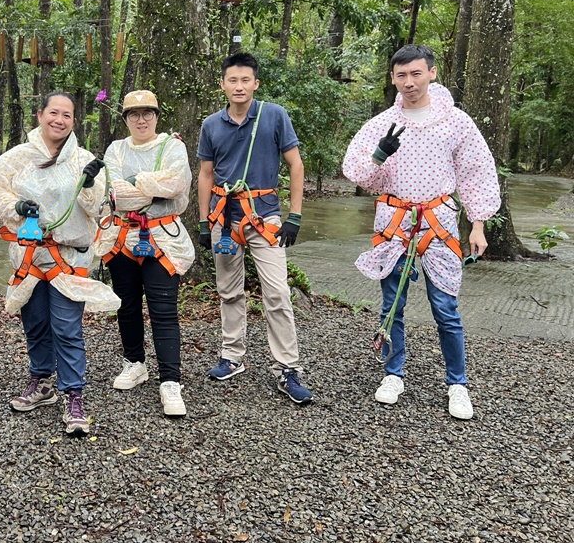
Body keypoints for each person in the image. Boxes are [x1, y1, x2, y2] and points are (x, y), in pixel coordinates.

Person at [342, 44, 499, 420]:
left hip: (438, 221)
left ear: (432, 73)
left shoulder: (456, 122)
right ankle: (393, 374)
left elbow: (476, 171)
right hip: (394, 220)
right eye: (401, 75)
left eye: (416, 73)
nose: (409, 82)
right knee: (391, 303)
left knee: (445, 307)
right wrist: (381, 154)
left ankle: (457, 384)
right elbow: (357, 171)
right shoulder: (382, 123)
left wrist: (477, 224)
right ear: (393, 78)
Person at [0, 91, 120, 436]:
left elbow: (95, 208)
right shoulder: (15, 159)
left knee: (66, 327)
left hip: (68, 256)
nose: (59, 120)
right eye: (53, 113)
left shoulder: (83, 160)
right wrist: (17, 208)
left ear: (74, 122)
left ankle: (74, 394)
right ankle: (41, 381)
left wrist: (89, 183)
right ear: (40, 115)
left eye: (67, 115)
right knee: (35, 323)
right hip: (31, 254)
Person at [197, 52, 313, 405]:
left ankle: (287, 368)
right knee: (229, 290)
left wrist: (294, 215)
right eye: (232, 80)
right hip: (224, 218)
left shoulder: (273, 115)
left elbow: (295, 164)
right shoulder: (211, 125)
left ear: (256, 83)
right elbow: (205, 173)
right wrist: (204, 222)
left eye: (245, 80)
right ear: (222, 84)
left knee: (277, 292)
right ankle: (232, 356)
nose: (239, 86)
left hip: (265, 218)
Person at [95, 90, 194, 417]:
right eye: (134, 114)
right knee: (126, 304)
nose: (141, 119)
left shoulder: (172, 146)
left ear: (156, 115)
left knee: (163, 308)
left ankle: (170, 380)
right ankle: (135, 362)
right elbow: (113, 192)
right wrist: (149, 185)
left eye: (147, 113)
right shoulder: (116, 149)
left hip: (162, 238)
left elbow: (176, 185)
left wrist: (135, 180)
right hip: (122, 236)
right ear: (125, 119)